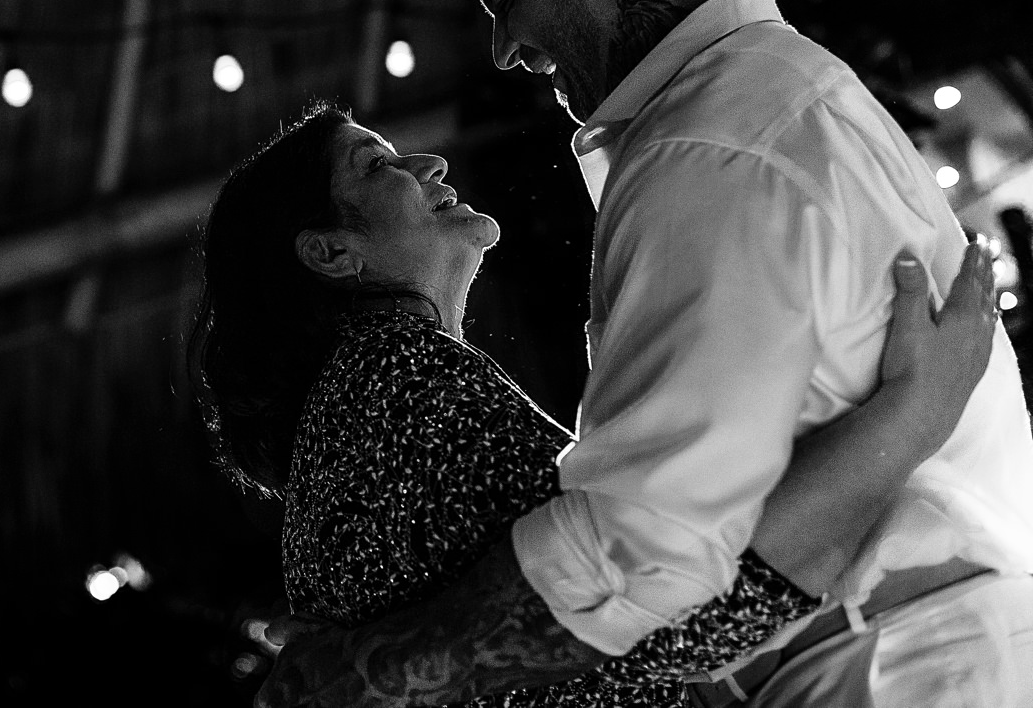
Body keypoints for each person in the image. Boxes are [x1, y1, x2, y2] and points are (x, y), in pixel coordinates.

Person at [255, 0, 1033, 707]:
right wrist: (910, 415)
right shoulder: (770, 98)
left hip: (897, 667)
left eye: (505, 0)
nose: (505, 51)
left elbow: (643, 555)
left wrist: (369, 669)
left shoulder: (709, 143)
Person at [190, 100, 999, 706]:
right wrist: (915, 411)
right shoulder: (393, 377)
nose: (429, 164)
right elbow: (661, 604)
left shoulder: (361, 413)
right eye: (378, 165)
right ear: (333, 252)